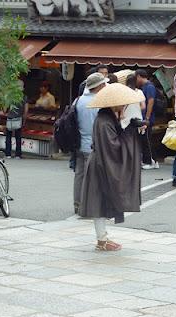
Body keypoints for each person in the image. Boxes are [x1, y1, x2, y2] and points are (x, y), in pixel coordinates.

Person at [79, 83, 145, 251]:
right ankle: (102, 240)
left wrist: (126, 123)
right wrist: (130, 131)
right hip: (101, 164)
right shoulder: (104, 121)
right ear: (112, 103)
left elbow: (114, 141)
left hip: (101, 162)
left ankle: (102, 238)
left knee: (100, 201)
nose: (124, 105)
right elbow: (114, 146)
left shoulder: (107, 118)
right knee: (98, 201)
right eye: (121, 103)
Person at [73, 72, 108, 214]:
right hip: (94, 144)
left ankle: (78, 204)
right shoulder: (99, 102)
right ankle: (91, 207)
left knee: (79, 175)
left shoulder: (78, 100)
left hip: (79, 143)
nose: (105, 85)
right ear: (99, 86)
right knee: (94, 177)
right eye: (103, 83)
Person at [135, 69, 159, 169]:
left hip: (147, 118)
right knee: (145, 139)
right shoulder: (145, 86)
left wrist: (147, 117)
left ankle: (151, 161)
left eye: (136, 77)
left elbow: (151, 101)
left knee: (147, 140)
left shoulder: (149, 86)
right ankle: (150, 160)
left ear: (140, 76)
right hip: (145, 117)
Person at [5, 80, 28, 159]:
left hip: (10, 119)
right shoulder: (24, 97)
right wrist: (24, 120)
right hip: (18, 119)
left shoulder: (10, 96)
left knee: (8, 137)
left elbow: (5, 108)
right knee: (18, 137)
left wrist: (7, 113)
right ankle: (18, 154)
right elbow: (26, 110)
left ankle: (8, 153)